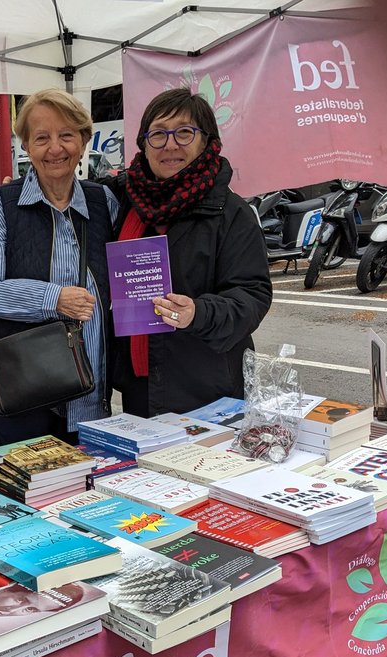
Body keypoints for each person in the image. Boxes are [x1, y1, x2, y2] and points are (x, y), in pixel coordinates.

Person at [0, 89, 120, 445]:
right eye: (42, 138)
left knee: (88, 492)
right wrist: (52, 299)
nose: (55, 149)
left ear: (83, 140)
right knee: (29, 490)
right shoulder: (6, 205)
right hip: (23, 392)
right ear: (26, 146)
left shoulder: (103, 202)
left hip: (89, 395)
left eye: (66, 135)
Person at [109, 88, 272, 417]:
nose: (170, 145)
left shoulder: (230, 212)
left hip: (209, 390)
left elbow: (252, 295)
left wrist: (199, 312)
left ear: (207, 142)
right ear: (143, 144)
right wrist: (7, 196)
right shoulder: (124, 202)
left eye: (184, 132)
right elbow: (66, 202)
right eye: (158, 134)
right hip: (140, 389)